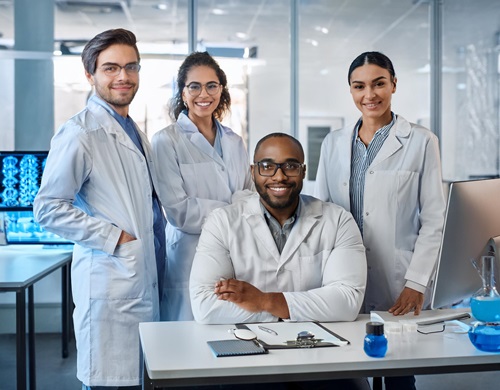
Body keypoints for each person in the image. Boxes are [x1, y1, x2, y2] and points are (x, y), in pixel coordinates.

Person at [34, 28, 166, 389]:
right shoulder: (79, 132)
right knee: (111, 382)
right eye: (111, 68)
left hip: (140, 276)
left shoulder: (132, 130)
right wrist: (115, 238)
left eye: (130, 66)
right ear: (90, 75)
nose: (123, 76)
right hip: (113, 278)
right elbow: (48, 207)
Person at [189, 133, 368, 390]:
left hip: (323, 355)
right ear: (253, 171)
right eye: (267, 166)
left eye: (291, 166)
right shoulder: (223, 222)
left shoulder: (338, 220)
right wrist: (302, 308)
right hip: (247, 352)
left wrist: (263, 301)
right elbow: (205, 305)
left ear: (303, 171)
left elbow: (347, 301)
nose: (279, 176)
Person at [314, 51, 446, 390]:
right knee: (348, 367)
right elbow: (322, 213)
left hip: (398, 277)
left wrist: (417, 283)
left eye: (378, 84)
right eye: (359, 86)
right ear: (350, 90)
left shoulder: (420, 141)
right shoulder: (333, 143)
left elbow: (434, 219)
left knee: (399, 371)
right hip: (344, 274)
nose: (369, 95)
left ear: (394, 85)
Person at [152, 51, 253, 321]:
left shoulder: (234, 141)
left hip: (234, 255)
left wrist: (238, 209)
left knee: (229, 335)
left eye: (211, 85)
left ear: (221, 91)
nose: (203, 94)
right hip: (188, 257)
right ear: (182, 93)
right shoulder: (166, 141)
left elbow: (248, 194)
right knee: (186, 338)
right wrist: (234, 211)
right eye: (194, 86)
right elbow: (179, 211)